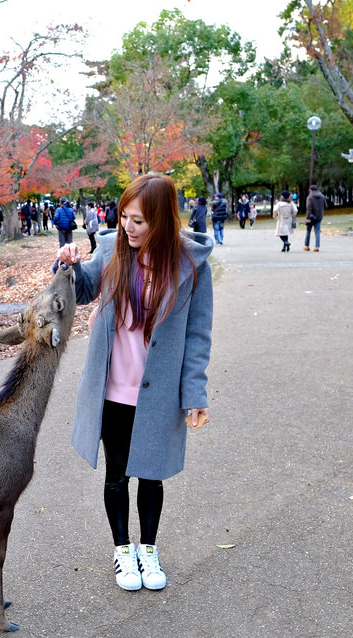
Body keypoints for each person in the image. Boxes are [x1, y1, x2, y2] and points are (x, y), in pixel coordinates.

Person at [55, 173, 213, 593]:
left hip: (159, 391)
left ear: (162, 221)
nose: (128, 226)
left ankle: (148, 548)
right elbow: (84, 288)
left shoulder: (191, 265)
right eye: (124, 216)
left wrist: (195, 393)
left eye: (139, 220)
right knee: (117, 474)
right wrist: (67, 264)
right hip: (112, 388)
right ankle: (122, 550)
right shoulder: (110, 250)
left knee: (152, 475)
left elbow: (198, 335)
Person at [303, 184, 326, 252]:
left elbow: (309, 208)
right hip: (319, 216)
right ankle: (317, 246)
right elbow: (325, 205)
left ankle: (307, 246)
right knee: (317, 231)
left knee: (308, 231)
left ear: (310, 190)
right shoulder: (322, 196)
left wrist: (308, 218)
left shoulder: (310, 197)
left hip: (312, 217)